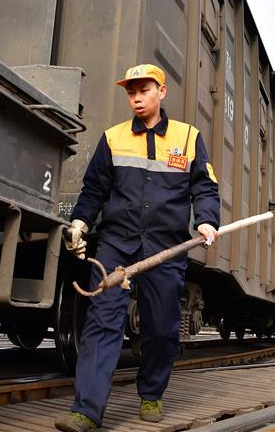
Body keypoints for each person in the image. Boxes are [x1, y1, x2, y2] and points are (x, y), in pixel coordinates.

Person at [54, 64, 221, 432]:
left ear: (161, 91)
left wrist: (207, 220)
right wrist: (80, 223)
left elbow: (205, 187)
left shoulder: (187, 138)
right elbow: (94, 189)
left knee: (161, 329)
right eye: (131, 92)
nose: (136, 98)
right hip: (117, 245)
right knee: (102, 323)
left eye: (144, 90)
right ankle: (86, 411)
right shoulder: (113, 138)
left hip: (166, 247)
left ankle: (152, 394)